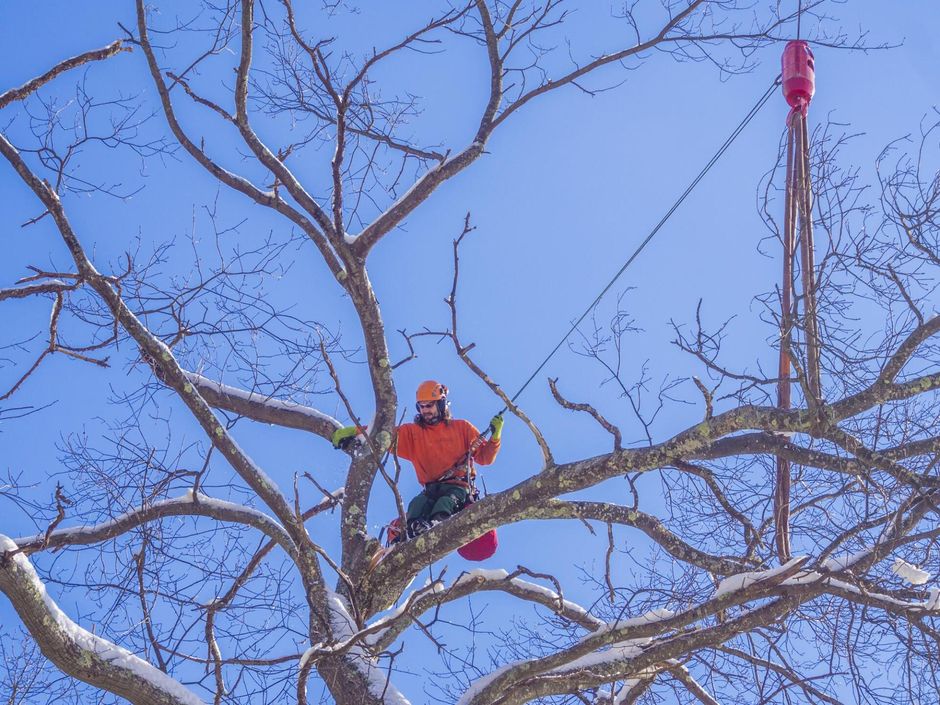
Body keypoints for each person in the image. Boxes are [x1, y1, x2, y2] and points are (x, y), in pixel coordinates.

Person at [332, 380, 503, 539]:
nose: (425, 410)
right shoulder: (412, 434)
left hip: (458, 487)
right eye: (421, 406)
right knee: (417, 504)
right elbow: (382, 434)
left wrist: (495, 436)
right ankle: (410, 530)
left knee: (446, 502)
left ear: (442, 404)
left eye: (430, 405)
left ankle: (438, 523)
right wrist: (354, 432)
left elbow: (485, 457)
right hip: (431, 489)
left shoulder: (462, 428)